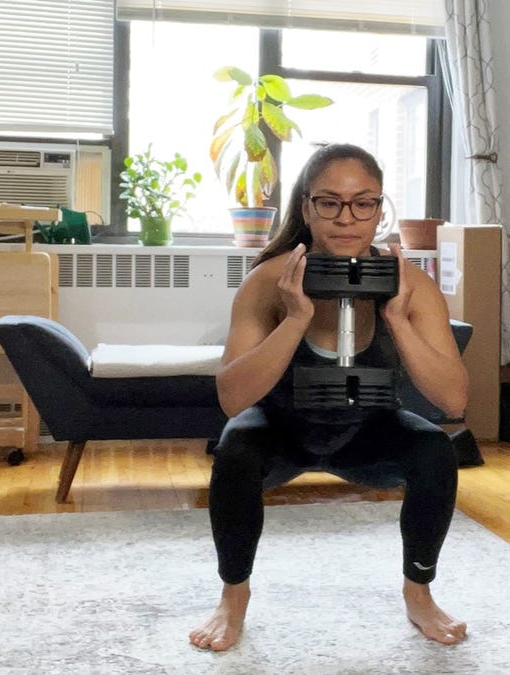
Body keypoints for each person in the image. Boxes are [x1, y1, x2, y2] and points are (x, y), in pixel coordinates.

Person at [189, 143, 470, 652]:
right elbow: (232, 398)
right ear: (307, 209)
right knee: (234, 450)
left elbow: (453, 399)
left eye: (364, 202)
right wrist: (294, 318)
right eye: (330, 202)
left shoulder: (411, 286)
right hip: (282, 429)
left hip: (369, 430)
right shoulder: (267, 281)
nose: (348, 218)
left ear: (380, 210)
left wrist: (397, 320)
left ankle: (419, 594)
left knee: (434, 450)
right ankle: (233, 598)